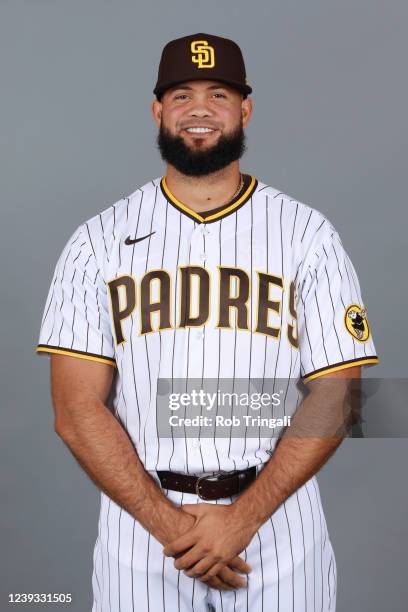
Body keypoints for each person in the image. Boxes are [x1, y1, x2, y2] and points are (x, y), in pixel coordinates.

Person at [36, 32, 380, 612]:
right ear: (158, 111)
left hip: (277, 523)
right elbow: (75, 410)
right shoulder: (96, 242)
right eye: (181, 95)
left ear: (245, 109)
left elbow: (340, 393)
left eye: (218, 94)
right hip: (141, 528)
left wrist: (242, 519)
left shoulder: (306, 235)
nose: (199, 108)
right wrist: (173, 529)